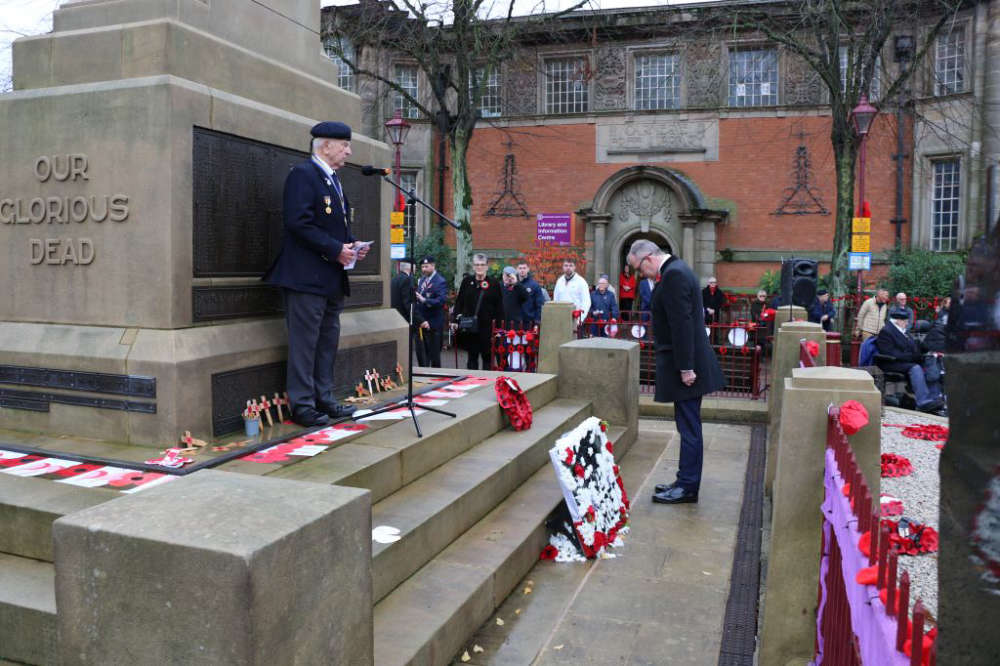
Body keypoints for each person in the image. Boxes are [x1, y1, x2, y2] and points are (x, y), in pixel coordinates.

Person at [263, 121, 366, 427]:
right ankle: (303, 405)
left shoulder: (332, 179)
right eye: (344, 145)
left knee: (326, 342)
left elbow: (332, 225)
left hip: (331, 278)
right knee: (304, 344)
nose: (348, 151)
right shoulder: (304, 175)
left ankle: (325, 398)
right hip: (306, 277)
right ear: (325, 145)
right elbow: (298, 222)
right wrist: (335, 249)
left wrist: (351, 246)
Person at [627, 239, 724, 505]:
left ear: (647, 257)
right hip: (687, 362)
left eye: (639, 269)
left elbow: (682, 324)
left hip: (687, 366)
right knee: (687, 425)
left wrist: (686, 368)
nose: (640, 275)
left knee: (689, 427)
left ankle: (688, 487)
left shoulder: (673, 275)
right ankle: (684, 481)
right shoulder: (677, 269)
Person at [875, 310, 944, 413]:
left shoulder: (904, 331)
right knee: (915, 368)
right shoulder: (886, 331)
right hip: (890, 363)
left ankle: (933, 398)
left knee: (930, 361)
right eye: (905, 321)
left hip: (904, 362)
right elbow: (889, 352)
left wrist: (928, 349)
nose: (907, 323)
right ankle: (923, 402)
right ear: (898, 320)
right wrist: (911, 357)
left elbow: (914, 348)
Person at [453, 253, 502, 370]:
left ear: (487, 266)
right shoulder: (467, 281)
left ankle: (487, 384)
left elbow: (499, 307)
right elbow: (459, 302)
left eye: (482, 264)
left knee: (487, 359)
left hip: (487, 328)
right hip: (470, 327)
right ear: (473, 266)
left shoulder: (494, 283)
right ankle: (472, 383)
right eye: (477, 265)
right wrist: (455, 319)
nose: (479, 267)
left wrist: (499, 328)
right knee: (472, 358)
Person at [390, 259, 426, 365]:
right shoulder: (407, 280)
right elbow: (409, 304)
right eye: (414, 267)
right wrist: (420, 320)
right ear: (410, 268)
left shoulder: (394, 279)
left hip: (396, 318)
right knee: (414, 346)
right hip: (407, 319)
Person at [415, 255, 448, 368]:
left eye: (426, 266)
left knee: (434, 355)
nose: (423, 269)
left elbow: (441, 301)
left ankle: (436, 379)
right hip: (422, 322)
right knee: (423, 354)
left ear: (433, 266)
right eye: (422, 267)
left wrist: (424, 300)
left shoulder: (440, 281)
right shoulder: (422, 280)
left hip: (434, 323)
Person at [552, 259, 590, 326]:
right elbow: (556, 300)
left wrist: (580, 319)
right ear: (563, 267)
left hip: (575, 319)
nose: (568, 268)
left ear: (574, 267)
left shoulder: (581, 282)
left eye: (571, 266)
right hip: (561, 319)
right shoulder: (559, 281)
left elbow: (586, 302)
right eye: (566, 265)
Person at [516, 260, 546, 326]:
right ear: (517, 270)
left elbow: (539, 304)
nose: (522, 270)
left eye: (524, 268)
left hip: (529, 322)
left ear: (528, 269)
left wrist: (537, 320)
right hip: (515, 321)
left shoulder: (534, 285)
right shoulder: (513, 284)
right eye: (520, 268)